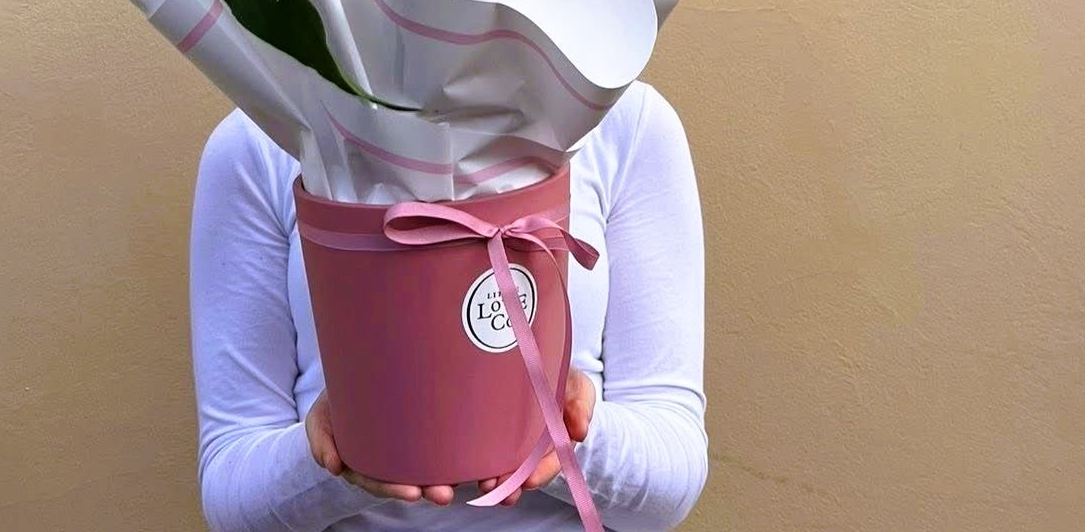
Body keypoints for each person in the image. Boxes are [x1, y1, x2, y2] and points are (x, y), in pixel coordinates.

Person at [189, 80, 707, 532]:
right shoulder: (267, 135)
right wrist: (336, 450)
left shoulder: (618, 119)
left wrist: (565, 427)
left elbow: (672, 478)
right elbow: (230, 489)